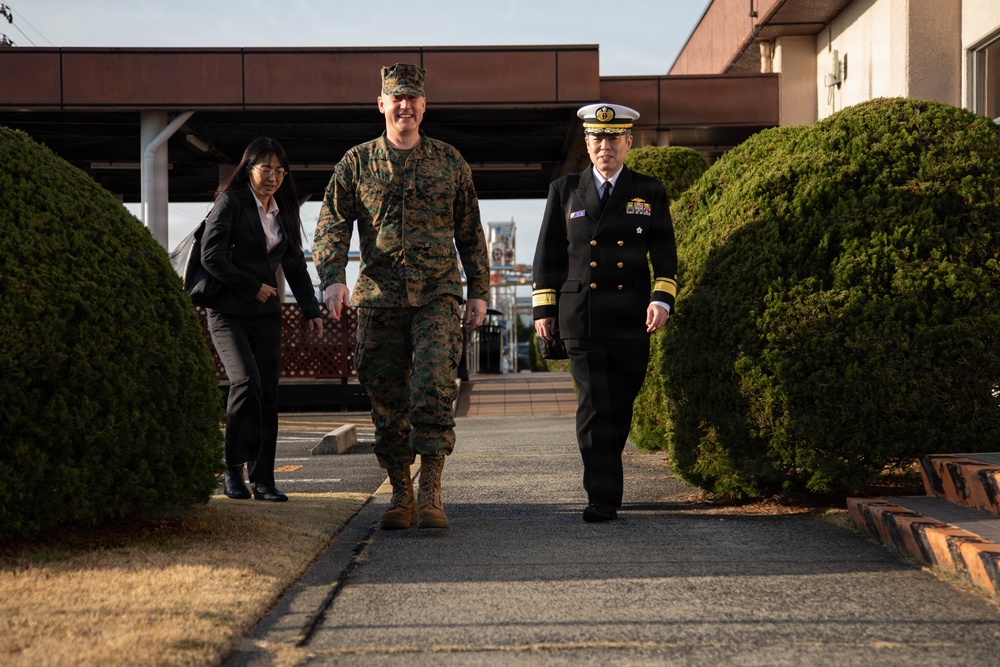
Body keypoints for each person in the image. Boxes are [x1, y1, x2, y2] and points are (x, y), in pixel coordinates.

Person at [313, 63, 490, 530]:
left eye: (412, 98)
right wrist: (332, 278)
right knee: (387, 400)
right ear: (382, 104)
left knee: (433, 388)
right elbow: (331, 223)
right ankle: (400, 493)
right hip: (379, 298)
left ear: (424, 105)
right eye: (397, 98)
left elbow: (471, 231)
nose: (404, 106)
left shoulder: (450, 161)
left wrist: (479, 290)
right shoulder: (356, 163)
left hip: (437, 294)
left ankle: (430, 491)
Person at [532, 104, 678, 522]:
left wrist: (661, 298)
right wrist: (544, 307)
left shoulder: (648, 190)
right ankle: (602, 495)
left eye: (613, 138)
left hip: (632, 316)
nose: (605, 146)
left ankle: (605, 481)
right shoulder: (565, 189)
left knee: (620, 404)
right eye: (597, 138)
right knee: (595, 405)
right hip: (583, 315)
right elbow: (548, 254)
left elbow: (664, 253)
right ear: (587, 143)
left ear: (629, 142)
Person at [202, 137, 324, 502]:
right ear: (248, 169)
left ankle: (264, 480)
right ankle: (232, 469)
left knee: (268, 395)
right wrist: (252, 286)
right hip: (227, 312)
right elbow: (211, 256)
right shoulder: (231, 202)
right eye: (265, 169)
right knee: (245, 381)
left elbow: (294, 265)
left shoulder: (284, 210)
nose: (273, 177)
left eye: (279, 171)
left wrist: (311, 310)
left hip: (266, 315)